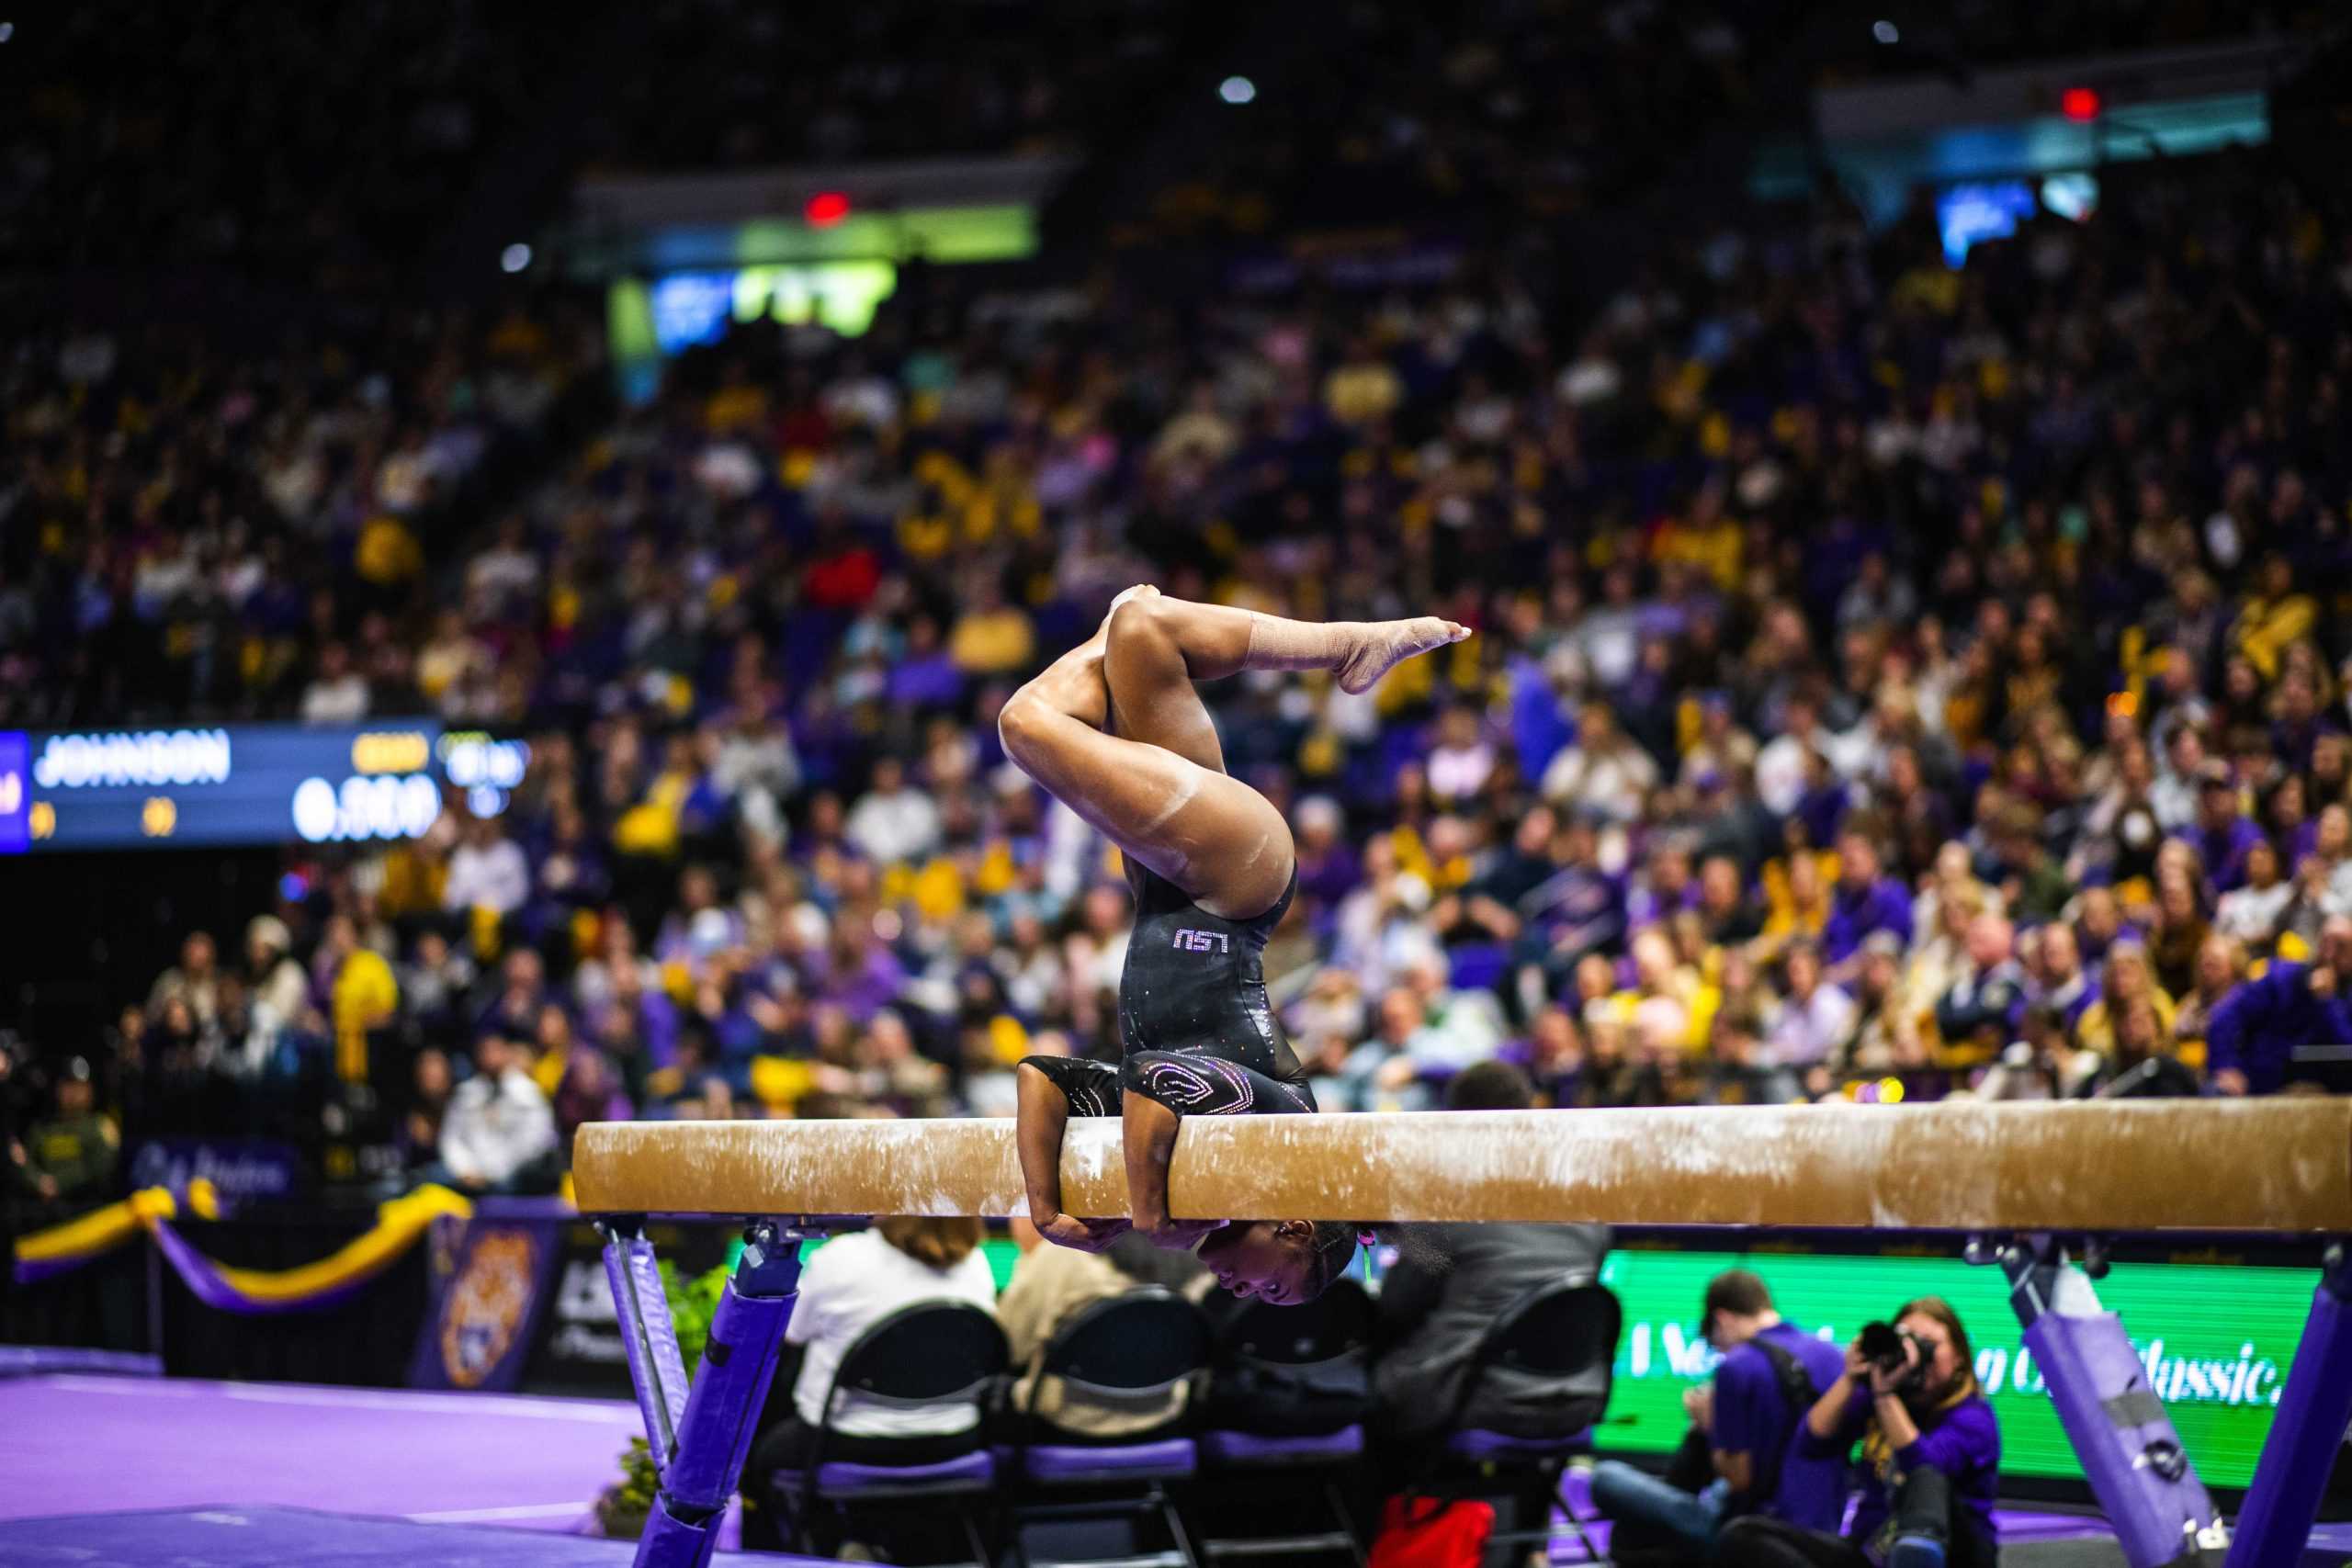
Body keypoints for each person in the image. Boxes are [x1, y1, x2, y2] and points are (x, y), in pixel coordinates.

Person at [1003, 586, 1466, 1301]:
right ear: (1298, 1230)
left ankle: (1113, 635)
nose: (1242, 1290)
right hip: (1232, 879)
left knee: (1142, 629)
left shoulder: (1204, 1161)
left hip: (1172, 884)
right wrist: (1153, 1216)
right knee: (1025, 724)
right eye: (1272, 1289)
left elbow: (1044, 1078)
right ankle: (1346, 642)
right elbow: (1161, 1072)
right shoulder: (1284, 1130)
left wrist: (1045, 1209)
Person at [1368, 1063, 1611, 1445]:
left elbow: (1395, 1308)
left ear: (1457, 1123)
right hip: (1575, 1392)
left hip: (1473, 1397)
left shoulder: (1445, 1208)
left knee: (1369, 1384)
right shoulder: (1590, 1211)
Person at [745, 1216, 999, 1553]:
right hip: (955, 1439)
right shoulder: (978, 1262)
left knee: (757, 1458)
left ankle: (822, 1547)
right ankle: (872, 1542)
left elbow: (791, 1333)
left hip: (846, 1441)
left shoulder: (841, 1258)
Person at [1719, 1298, 1999, 1568]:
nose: (1918, 1355)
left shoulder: (1973, 1417)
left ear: (1960, 1357)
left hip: (1950, 1553)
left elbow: (1924, 1470)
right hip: (1870, 1553)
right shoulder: (1878, 1397)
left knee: (1926, 1498)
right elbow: (1811, 1443)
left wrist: (1885, 1397)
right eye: (1908, 1341)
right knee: (1742, 1536)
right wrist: (1851, 1376)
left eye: (1930, 1344)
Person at [1590, 1270, 1849, 1560]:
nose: (1720, 1351)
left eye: (1715, 1343)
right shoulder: (1833, 1356)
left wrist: (1711, 1428)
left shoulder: (1736, 1367)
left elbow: (1738, 1479)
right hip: (1827, 1533)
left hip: (1752, 1533)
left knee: (1605, 1478)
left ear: (1722, 1320)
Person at [427, 1031, 559, 1194]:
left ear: (506, 1052)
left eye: (495, 1050)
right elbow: (451, 1139)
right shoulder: (466, 1093)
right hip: (469, 1174)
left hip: (511, 1174)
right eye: (485, 1051)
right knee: (431, 1177)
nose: (490, 1057)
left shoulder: (528, 1093)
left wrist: (493, 1172)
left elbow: (535, 1142)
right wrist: (466, 1170)